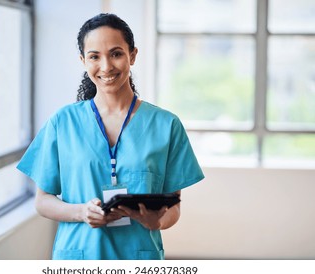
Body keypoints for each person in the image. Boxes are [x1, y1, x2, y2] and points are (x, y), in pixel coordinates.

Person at [17, 13, 204, 260]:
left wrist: (155, 222)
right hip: (78, 259)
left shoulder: (166, 125)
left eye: (116, 53)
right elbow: (43, 201)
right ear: (83, 60)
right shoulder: (62, 123)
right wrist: (81, 212)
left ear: (132, 55)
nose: (106, 67)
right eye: (94, 56)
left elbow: (174, 207)